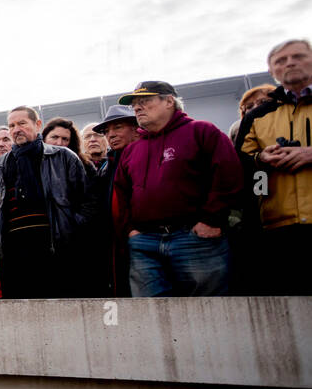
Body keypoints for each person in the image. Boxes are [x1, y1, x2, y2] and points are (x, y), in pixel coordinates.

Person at [113, 81, 242, 297]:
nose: (137, 108)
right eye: (134, 104)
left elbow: (229, 176)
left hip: (195, 238)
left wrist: (211, 220)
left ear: (169, 101)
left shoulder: (202, 131)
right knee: (149, 313)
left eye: (144, 101)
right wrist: (131, 231)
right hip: (144, 242)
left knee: (206, 311)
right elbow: (121, 192)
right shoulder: (133, 149)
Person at [0, 105, 95, 298]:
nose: (16, 129)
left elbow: (87, 202)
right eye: (12, 125)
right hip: (13, 253)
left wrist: (72, 229)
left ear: (38, 124)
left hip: (55, 249)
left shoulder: (63, 157)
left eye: (22, 123)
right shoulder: (0, 167)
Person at [235, 39, 312, 294]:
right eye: (281, 60)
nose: (290, 63)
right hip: (278, 230)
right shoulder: (258, 116)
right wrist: (261, 160)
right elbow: (241, 168)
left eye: (298, 56)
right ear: (272, 71)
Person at [89, 106, 141, 297]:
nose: (110, 135)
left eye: (117, 127)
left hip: (145, 237)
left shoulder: (146, 153)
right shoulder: (109, 164)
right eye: (107, 131)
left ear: (136, 127)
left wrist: (133, 228)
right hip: (117, 243)